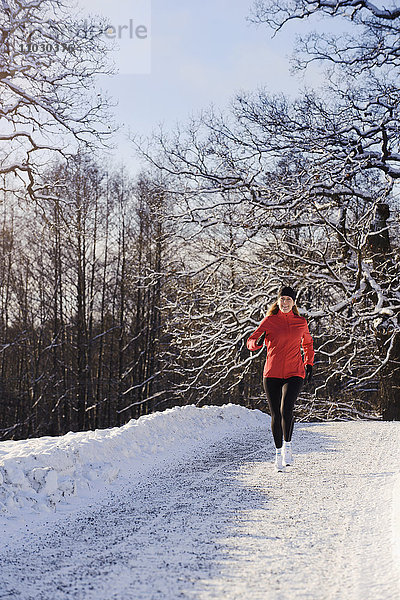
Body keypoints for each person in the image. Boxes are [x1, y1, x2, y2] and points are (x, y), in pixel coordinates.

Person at [247, 285, 314, 472]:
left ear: (294, 303)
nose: (285, 303)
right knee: (276, 414)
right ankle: (278, 454)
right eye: (282, 299)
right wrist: (256, 343)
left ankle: (288, 447)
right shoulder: (269, 321)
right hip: (272, 374)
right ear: (278, 301)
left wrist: (309, 364)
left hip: (294, 372)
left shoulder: (301, 322)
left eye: (289, 300)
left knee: (287, 409)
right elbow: (250, 341)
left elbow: (308, 344)